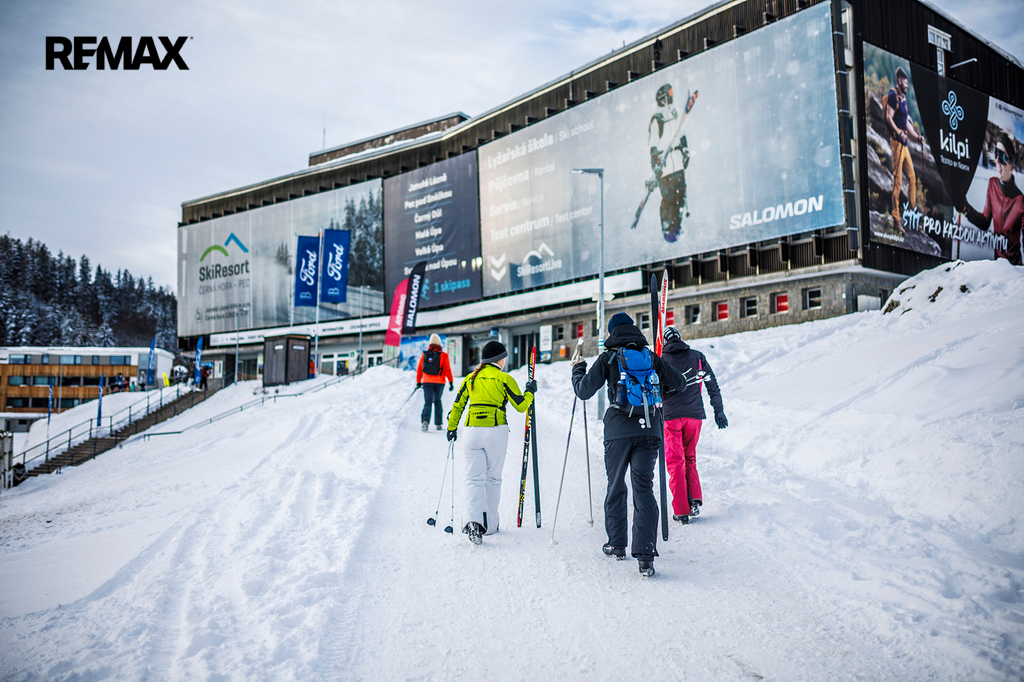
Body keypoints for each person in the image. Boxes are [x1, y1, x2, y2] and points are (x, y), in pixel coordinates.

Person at [571, 312, 686, 577]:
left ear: (612, 332)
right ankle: (646, 556)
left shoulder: (609, 357)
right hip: (650, 428)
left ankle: (617, 544)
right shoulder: (650, 356)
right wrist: (657, 391)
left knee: (616, 485)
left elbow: (584, 391)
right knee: (644, 488)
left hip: (618, 431)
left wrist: (577, 370)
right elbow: (679, 382)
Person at [446, 341, 536, 545]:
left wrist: (452, 428)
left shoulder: (471, 378)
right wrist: (530, 391)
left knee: (472, 479)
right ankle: (491, 525)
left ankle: (472, 521)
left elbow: (457, 405)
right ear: (500, 359)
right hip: (496, 431)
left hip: (471, 431)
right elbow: (521, 406)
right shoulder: (505, 378)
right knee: (493, 479)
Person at [659, 326, 728, 524]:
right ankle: (694, 500)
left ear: (665, 341)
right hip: (694, 416)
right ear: (680, 338)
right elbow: (711, 384)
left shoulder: (661, 360)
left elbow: (657, 388)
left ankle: (681, 510)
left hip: (671, 416)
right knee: (690, 457)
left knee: (675, 461)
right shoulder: (697, 357)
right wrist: (719, 410)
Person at [648, 84, 699, 242]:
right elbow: (653, 145)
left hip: (677, 165)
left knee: (680, 198)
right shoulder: (657, 120)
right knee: (669, 200)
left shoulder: (675, 114)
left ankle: (676, 228)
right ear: (663, 97)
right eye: (669, 93)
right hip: (666, 169)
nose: (672, 96)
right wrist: (655, 164)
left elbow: (681, 133)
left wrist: (685, 150)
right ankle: (667, 227)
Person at [963, 134, 1023, 265]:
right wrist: (965, 209)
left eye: (1002, 156)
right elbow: (985, 222)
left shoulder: (1020, 201)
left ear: (1012, 166)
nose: (997, 161)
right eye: (996, 154)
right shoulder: (992, 184)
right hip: (996, 268)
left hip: (1015, 272)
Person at [885, 66, 923, 231]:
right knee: (898, 182)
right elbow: (888, 117)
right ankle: (896, 220)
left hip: (905, 145)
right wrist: (899, 133)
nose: (907, 85)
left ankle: (913, 215)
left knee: (912, 179)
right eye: (905, 83)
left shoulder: (903, 99)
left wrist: (916, 137)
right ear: (899, 81)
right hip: (897, 144)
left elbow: (906, 123)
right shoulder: (893, 96)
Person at [417, 333, 455, 432]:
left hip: (427, 381)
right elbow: (447, 369)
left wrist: (418, 381)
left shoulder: (425, 354)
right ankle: (438, 424)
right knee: (437, 401)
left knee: (428, 402)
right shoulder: (443, 355)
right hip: (439, 382)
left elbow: (420, 368)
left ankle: (425, 423)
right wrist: (450, 381)